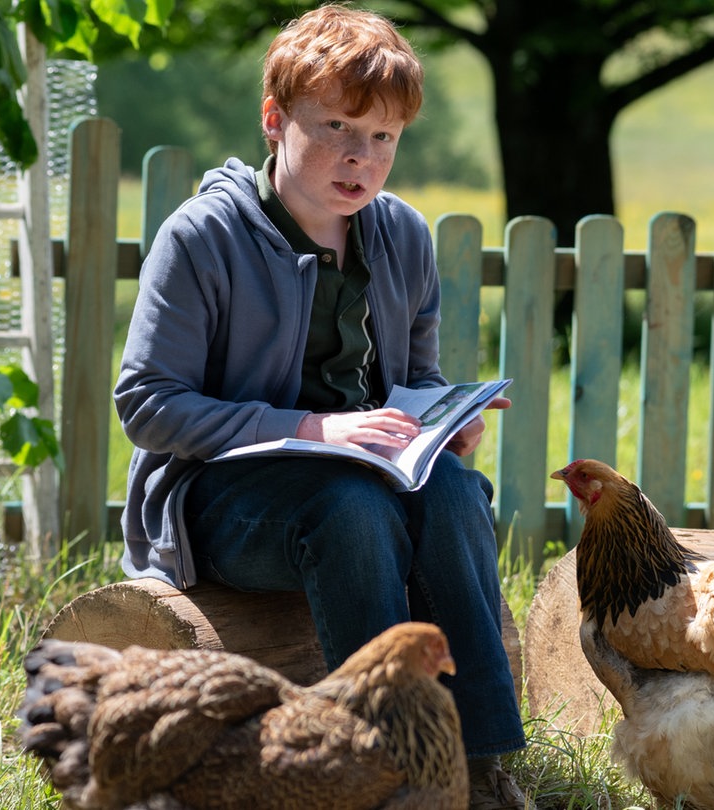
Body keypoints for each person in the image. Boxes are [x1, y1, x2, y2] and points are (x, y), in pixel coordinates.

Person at [112, 5, 531, 808]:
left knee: (449, 492)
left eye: (383, 138)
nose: (360, 157)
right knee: (346, 507)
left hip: (369, 479)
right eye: (336, 126)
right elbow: (147, 404)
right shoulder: (202, 237)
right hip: (223, 500)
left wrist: (443, 425)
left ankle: (478, 766)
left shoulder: (404, 235)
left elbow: (412, 378)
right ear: (275, 121)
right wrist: (310, 428)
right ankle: (377, 771)